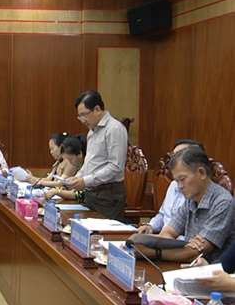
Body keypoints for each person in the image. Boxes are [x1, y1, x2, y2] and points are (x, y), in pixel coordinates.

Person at [131, 147, 235, 263]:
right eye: (177, 181)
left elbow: (195, 253)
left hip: (215, 269)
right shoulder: (191, 199)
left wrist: (153, 253)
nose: (179, 186)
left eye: (182, 179)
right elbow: (167, 234)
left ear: (201, 173)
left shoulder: (223, 202)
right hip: (187, 266)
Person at [64, 90, 128, 221]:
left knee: (100, 232)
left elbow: (115, 167)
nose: (82, 120)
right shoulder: (92, 131)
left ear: (97, 109)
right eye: (79, 116)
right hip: (91, 193)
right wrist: (77, 177)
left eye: (84, 115)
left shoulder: (114, 129)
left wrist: (85, 181)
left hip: (108, 195)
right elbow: (90, 162)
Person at [136, 139, 205, 235]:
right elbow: (163, 215)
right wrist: (150, 226)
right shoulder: (173, 184)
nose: (173, 161)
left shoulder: (200, 192)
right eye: (173, 156)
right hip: (165, 237)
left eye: (179, 156)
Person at [44, 136, 86, 201]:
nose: (70, 163)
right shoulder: (81, 168)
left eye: (70, 159)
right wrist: (65, 189)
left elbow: (82, 195)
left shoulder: (89, 168)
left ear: (80, 154)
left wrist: (57, 192)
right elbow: (74, 190)